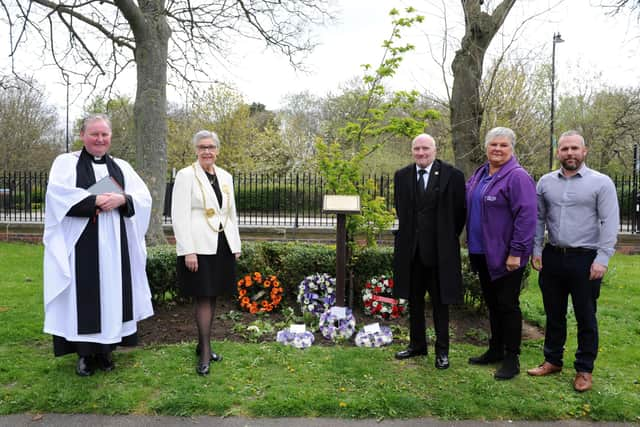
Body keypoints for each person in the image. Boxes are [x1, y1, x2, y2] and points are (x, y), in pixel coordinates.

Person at [43, 113, 153, 377]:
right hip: (81, 243)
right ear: (82, 135)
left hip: (115, 246)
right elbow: (57, 195)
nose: (100, 139)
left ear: (110, 137)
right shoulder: (65, 163)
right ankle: (83, 355)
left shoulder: (122, 166)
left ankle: (105, 353)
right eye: (94, 134)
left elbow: (143, 197)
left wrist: (123, 200)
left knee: (112, 295)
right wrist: (95, 201)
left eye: (105, 134)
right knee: (83, 297)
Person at [527, 130, 619, 392]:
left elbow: (610, 223)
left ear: (584, 151)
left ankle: (584, 369)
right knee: (554, 313)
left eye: (574, 149)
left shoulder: (601, 183)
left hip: (586, 259)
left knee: (585, 315)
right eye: (565, 149)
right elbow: (539, 219)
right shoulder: (545, 182)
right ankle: (552, 360)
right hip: (553, 257)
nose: (570, 153)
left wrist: (602, 259)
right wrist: (536, 249)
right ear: (558, 152)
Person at [465, 127, 536, 380]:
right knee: (493, 305)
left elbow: (527, 217)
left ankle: (511, 358)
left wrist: (516, 252)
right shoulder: (480, 173)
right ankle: (495, 350)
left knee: (508, 306)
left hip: (506, 257)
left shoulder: (517, 177)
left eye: (503, 145)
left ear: (512, 148)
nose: (497, 149)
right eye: (493, 144)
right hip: (481, 253)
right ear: (486, 147)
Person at [392, 133, 466, 369]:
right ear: (412, 151)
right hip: (411, 253)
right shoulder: (401, 176)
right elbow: (401, 211)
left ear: (435, 150)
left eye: (425, 149)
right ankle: (417, 345)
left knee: (440, 303)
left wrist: (443, 237)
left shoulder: (452, 176)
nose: (421, 153)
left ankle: (442, 351)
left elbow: (459, 214)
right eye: (417, 149)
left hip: (439, 254)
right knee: (414, 301)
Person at [171, 130, 241, 376]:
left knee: (213, 297)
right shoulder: (185, 175)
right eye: (202, 147)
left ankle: (204, 344)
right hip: (198, 247)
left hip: (221, 244)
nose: (207, 151)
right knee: (202, 296)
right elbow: (178, 216)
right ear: (196, 150)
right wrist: (187, 250)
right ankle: (204, 353)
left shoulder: (225, 176)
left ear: (218, 150)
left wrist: (236, 244)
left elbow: (231, 213)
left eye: (211, 147)